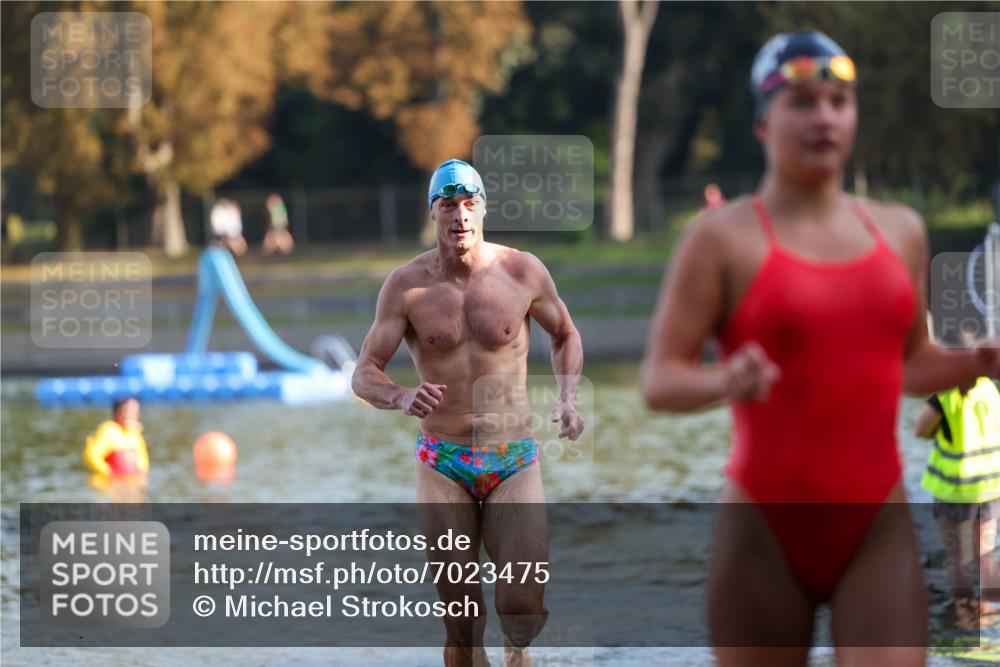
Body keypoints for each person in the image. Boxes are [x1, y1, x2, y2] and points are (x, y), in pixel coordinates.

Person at [641, 30, 1000, 666]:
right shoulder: (721, 240)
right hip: (762, 529)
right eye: (802, 101)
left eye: (839, 99)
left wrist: (977, 362)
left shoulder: (899, 231)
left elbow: (910, 366)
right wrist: (726, 379)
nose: (824, 116)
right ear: (762, 121)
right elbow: (660, 380)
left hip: (876, 525)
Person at [352, 158, 585, 667]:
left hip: (514, 460)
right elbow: (363, 371)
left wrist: (567, 396)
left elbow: (564, 333)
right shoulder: (406, 286)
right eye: (448, 205)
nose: (460, 215)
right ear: (433, 214)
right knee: (461, 621)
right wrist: (399, 396)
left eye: (469, 204)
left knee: (521, 608)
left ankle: (517, 652)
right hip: (443, 462)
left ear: (483, 209)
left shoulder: (522, 270)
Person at [917, 333, 1000, 629]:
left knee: (958, 558)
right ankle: (988, 605)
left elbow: (920, 429)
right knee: (986, 552)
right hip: (990, 486)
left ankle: (966, 614)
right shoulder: (990, 390)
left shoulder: (945, 395)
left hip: (956, 488)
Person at [83, 397, 149, 478]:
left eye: (136, 411)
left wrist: (141, 476)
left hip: (131, 483)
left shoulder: (134, 433)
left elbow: (143, 459)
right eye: (130, 410)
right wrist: (108, 473)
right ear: (118, 411)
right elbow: (91, 456)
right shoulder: (109, 430)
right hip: (110, 484)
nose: (135, 414)